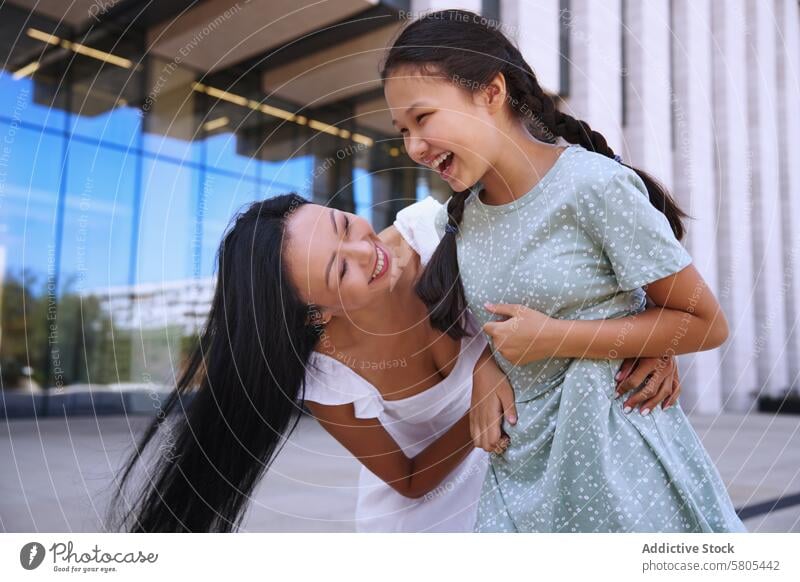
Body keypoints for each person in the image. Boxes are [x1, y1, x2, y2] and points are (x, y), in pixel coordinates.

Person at [106, 193, 681, 532]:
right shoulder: (327, 372)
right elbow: (406, 480)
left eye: (341, 224)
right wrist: (481, 402)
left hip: (520, 486)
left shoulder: (437, 232)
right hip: (423, 524)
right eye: (340, 271)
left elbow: (582, 267)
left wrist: (654, 333)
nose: (366, 250)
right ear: (316, 316)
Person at [381, 9, 746, 532]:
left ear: (491, 92)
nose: (413, 146)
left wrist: (557, 337)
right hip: (522, 477)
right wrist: (486, 363)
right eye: (402, 130)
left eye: (423, 118)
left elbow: (707, 324)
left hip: (623, 472)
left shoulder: (592, 186)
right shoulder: (458, 219)